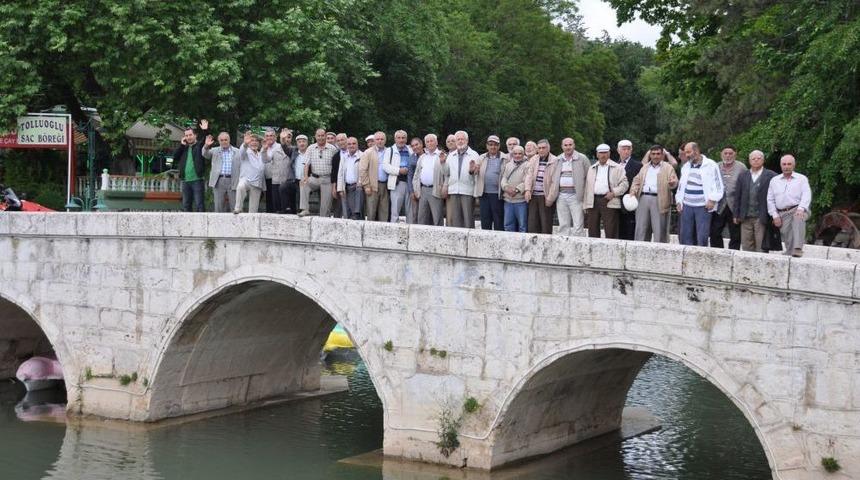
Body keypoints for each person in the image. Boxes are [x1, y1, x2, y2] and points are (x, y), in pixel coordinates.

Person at [675, 142, 724, 246]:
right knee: (685, 235)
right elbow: (681, 186)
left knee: (702, 236)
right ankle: (686, 260)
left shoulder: (711, 165)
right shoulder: (686, 166)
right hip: (686, 206)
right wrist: (679, 201)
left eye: (689, 152)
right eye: (685, 152)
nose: (686, 155)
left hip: (703, 206)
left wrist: (712, 199)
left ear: (696, 151)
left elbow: (718, 185)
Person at [629, 145, 679, 242]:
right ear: (650, 155)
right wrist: (633, 190)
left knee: (659, 228)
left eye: (658, 154)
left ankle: (660, 251)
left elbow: (674, 180)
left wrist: (673, 183)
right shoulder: (644, 167)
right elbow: (636, 180)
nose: (655, 156)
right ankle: (640, 250)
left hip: (659, 199)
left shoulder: (668, 168)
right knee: (641, 228)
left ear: (662, 155)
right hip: (643, 198)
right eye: (653, 154)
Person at [767, 154, 812, 257]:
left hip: (798, 208)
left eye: (789, 164)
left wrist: (801, 208)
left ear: (794, 165)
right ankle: (790, 252)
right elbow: (770, 199)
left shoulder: (802, 179)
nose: (786, 166)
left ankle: (798, 248)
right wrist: (775, 215)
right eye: (784, 164)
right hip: (783, 211)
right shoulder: (774, 181)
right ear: (781, 165)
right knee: (787, 235)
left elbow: (806, 194)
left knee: (798, 219)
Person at [734, 150, 777, 252]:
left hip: (761, 216)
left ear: (763, 160)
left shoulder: (771, 175)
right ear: (749, 161)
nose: (756, 160)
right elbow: (737, 196)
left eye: (759, 158)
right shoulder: (743, 175)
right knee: (746, 245)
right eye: (753, 159)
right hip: (745, 216)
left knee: (761, 246)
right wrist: (736, 214)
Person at [546, 137, 589, 236]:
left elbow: (588, 177)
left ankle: (578, 247)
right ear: (562, 147)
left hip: (576, 196)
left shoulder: (582, 158)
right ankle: (564, 247)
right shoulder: (558, 159)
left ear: (574, 145)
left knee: (578, 224)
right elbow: (553, 179)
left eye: (570, 145)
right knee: (563, 224)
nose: (568, 147)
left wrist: (585, 195)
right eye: (565, 145)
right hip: (561, 196)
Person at [584, 144, 628, 238]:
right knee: (592, 229)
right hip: (593, 200)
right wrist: (586, 203)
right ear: (597, 154)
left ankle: (612, 251)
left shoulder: (617, 167)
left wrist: (614, 193)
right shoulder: (591, 168)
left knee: (610, 229)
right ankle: (594, 250)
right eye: (600, 153)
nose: (603, 155)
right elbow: (587, 186)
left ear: (609, 154)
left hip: (609, 200)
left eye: (605, 153)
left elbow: (625, 184)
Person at [710, 145, 747, 249]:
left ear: (735, 154)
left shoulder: (741, 167)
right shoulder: (715, 166)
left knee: (735, 234)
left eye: (730, 153)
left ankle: (732, 253)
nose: (728, 156)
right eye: (725, 153)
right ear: (721, 154)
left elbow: (745, 186)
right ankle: (718, 253)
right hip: (719, 205)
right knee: (715, 231)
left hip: (734, 206)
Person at [298, 128, 338, 217]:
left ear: (325, 136)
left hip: (327, 179)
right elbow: (306, 164)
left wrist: (334, 183)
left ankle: (324, 218)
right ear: (315, 136)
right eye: (318, 136)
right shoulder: (311, 148)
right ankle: (305, 209)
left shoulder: (332, 149)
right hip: (314, 178)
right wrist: (305, 177)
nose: (320, 138)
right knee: (303, 183)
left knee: (325, 208)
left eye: (322, 135)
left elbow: (336, 167)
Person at [445, 130, 480, 228]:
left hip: (467, 190)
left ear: (467, 140)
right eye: (458, 139)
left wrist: (472, 171)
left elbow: (477, 174)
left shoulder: (474, 154)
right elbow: (446, 173)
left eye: (462, 139)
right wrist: (443, 163)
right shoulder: (451, 155)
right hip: (453, 190)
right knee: (455, 219)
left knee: (468, 218)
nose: (460, 141)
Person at [173, 119, 209, 212]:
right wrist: (181, 145)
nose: (188, 137)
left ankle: (201, 225)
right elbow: (175, 157)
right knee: (186, 205)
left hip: (197, 180)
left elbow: (205, 141)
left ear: (195, 135)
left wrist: (205, 130)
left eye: (190, 135)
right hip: (185, 181)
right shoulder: (183, 148)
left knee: (199, 204)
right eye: (186, 135)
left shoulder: (199, 146)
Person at [413, 134, 448, 226]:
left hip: (436, 190)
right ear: (425, 144)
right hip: (423, 190)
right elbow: (416, 175)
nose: (429, 143)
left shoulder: (442, 155)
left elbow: (447, 174)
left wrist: (444, 187)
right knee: (422, 217)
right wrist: (416, 189)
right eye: (427, 142)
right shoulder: (422, 157)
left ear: (436, 142)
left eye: (431, 141)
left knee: (437, 217)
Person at [524, 139, 557, 234]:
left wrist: (550, 198)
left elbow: (555, 182)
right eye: (539, 148)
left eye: (544, 148)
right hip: (533, 195)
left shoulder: (554, 160)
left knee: (545, 224)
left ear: (548, 148)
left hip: (545, 196)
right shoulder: (534, 159)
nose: (541, 150)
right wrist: (527, 190)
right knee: (532, 224)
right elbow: (529, 175)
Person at [202, 131, 240, 213]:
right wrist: (206, 146)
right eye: (221, 140)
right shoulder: (215, 150)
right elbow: (205, 154)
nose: (224, 142)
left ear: (229, 140)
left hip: (233, 180)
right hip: (219, 180)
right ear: (219, 141)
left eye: (226, 140)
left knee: (234, 206)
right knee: (219, 206)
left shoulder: (237, 151)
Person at [475, 135, 507, 230]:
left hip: (498, 194)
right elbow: (474, 172)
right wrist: (473, 170)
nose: (493, 147)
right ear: (487, 146)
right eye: (491, 144)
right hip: (484, 194)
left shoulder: (505, 158)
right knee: (485, 220)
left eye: (495, 145)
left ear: (499, 146)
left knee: (498, 220)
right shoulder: (481, 157)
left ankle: (498, 242)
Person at [234, 131, 270, 213]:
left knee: (253, 210)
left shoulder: (261, 153)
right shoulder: (245, 152)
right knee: (240, 186)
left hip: (257, 183)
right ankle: (238, 208)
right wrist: (245, 144)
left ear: (259, 143)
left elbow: (266, 160)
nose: (254, 142)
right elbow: (241, 152)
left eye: (256, 141)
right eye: (252, 140)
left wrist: (264, 150)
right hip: (246, 180)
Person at [359, 131, 389, 221]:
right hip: (372, 185)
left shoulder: (389, 151)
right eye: (377, 139)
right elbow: (362, 170)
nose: (380, 141)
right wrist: (366, 185)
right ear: (375, 140)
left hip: (385, 185)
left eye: (382, 139)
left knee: (384, 211)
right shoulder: (368, 152)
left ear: (385, 140)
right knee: (371, 211)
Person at [616, 139, 642, 240]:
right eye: (624, 149)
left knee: (629, 230)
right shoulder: (614, 164)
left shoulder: (638, 165)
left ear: (631, 150)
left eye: (628, 149)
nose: (626, 151)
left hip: (630, 201)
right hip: (615, 201)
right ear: (618, 150)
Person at [385, 130, 412, 223]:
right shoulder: (390, 150)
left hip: (409, 183)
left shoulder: (410, 149)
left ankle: (411, 229)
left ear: (406, 139)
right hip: (397, 182)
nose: (401, 140)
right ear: (395, 139)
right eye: (399, 138)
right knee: (395, 210)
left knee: (410, 210)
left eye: (403, 138)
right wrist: (398, 171)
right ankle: (394, 231)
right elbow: (385, 166)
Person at [501, 146, 530, 232]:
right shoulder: (508, 165)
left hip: (521, 201)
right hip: (508, 200)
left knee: (522, 225)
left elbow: (527, 180)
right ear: (512, 154)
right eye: (515, 153)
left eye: (520, 153)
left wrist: (516, 190)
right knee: (508, 224)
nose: (517, 155)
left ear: (523, 154)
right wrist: (506, 187)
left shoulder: (528, 165)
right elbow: (504, 178)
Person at [336, 136, 364, 220]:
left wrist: (360, 182)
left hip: (357, 187)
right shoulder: (344, 157)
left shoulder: (362, 156)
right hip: (346, 187)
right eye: (349, 144)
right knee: (346, 213)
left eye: (354, 143)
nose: (351, 145)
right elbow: (340, 173)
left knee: (356, 214)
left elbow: (364, 172)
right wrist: (340, 188)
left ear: (357, 145)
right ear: (346, 145)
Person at [263, 129, 289, 214]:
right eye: (267, 136)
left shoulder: (280, 147)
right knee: (269, 203)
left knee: (277, 204)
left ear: (275, 137)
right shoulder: (263, 148)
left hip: (278, 179)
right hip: (267, 178)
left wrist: (284, 138)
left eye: (271, 136)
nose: (269, 137)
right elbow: (264, 160)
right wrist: (264, 150)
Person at [278, 128, 299, 213]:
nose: (301, 143)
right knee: (283, 187)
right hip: (293, 179)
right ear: (297, 143)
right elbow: (285, 148)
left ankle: (297, 210)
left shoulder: (309, 151)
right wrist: (283, 139)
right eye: (300, 142)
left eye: (303, 142)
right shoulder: (294, 150)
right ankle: (285, 209)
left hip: (304, 180)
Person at [329, 133, 348, 218]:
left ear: (346, 140)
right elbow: (334, 173)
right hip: (339, 184)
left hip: (352, 184)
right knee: (338, 210)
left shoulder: (353, 152)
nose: (340, 142)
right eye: (338, 141)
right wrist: (334, 187)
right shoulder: (336, 157)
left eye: (342, 140)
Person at [406, 137, 424, 224]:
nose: (415, 147)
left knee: (424, 213)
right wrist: (411, 192)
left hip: (426, 188)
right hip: (415, 189)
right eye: (413, 146)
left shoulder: (428, 155)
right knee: (415, 213)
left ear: (421, 144)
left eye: (417, 144)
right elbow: (409, 176)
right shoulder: (411, 158)